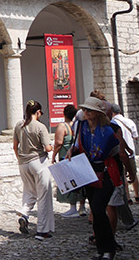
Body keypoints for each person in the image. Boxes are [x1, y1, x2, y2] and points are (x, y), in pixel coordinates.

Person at [71, 96, 136, 260]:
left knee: (100, 210)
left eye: (89, 110)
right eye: (84, 110)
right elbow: (78, 145)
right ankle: (102, 249)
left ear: (98, 113)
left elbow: (119, 151)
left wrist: (131, 172)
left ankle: (109, 247)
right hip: (89, 172)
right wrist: (72, 152)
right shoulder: (83, 127)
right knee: (95, 209)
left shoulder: (109, 130)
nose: (85, 112)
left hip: (106, 172)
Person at [13, 100, 54, 240]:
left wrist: (20, 158)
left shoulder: (19, 125)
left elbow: (15, 146)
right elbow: (47, 147)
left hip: (23, 162)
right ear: (38, 112)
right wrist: (52, 146)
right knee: (44, 196)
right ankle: (43, 230)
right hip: (38, 162)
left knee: (29, 191)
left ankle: (24, 213)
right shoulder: (40, 127)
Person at [52, 104, 85, 217]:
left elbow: (58, 143)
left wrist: (53, 155)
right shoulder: (75, 125)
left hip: (65, 156)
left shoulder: (62, 126)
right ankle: (82, 206)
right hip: (76, 156)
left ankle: (72, 207)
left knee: (69, 182)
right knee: (79, 182)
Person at [109, 103, 139, 203]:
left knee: (123, 175)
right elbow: (135, 136)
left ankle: (127, 197)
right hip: (130, 151)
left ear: (112, 112)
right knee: (133, 173)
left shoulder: (113, 123)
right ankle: (137, 195)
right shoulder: (129, 121)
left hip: (119, 152)